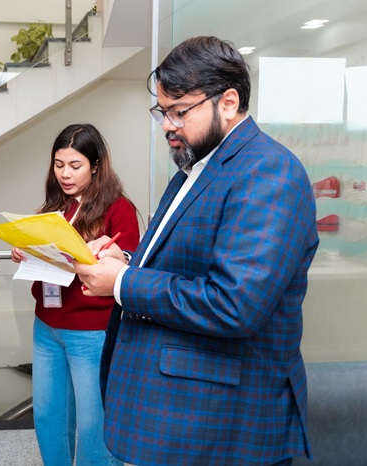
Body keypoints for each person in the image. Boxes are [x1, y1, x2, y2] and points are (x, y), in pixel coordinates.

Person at [74, 36, 319, 466]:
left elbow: (233, 304)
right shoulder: (198, 166)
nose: (167, 125)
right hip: (183, 414)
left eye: (179, 111)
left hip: (224, 425)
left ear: (228, 102)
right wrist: (125, 262)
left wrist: (124, 283)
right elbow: (187, 265)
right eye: (162, 112)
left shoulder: (270, 171)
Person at [11, 123, 140, 466]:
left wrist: (114, 254)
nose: (65, 174)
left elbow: (130, 259)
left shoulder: (118, 208)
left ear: (95, 166)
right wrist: (24, 251)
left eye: (75, 165)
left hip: (91, 331)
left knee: (94, 426)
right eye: (59, 164)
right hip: (47, 326)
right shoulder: (56, 205)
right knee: (48, 418)